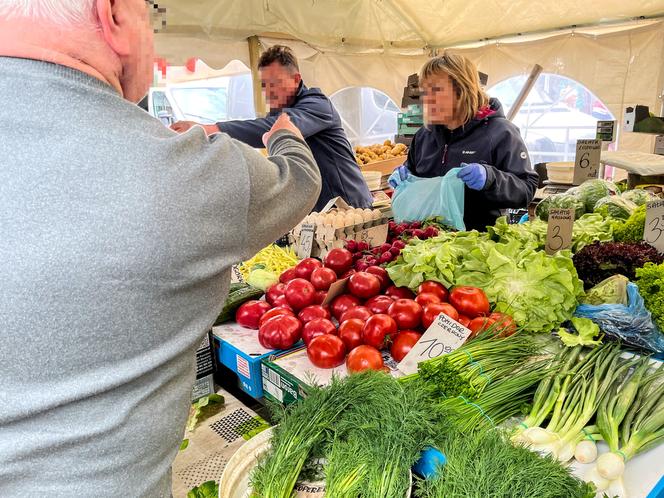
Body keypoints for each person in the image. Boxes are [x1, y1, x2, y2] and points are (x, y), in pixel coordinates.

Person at [0, 1, 321, 497]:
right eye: (153, 15)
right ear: (114, 16)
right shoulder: (181, 170)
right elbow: (299, 181)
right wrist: (286, 138)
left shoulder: (310, 103)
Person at [172, 45, 373, 212]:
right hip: (319, 212)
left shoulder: (317, 104)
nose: (268, 92)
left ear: (296, 79)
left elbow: (275, 129)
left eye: (275, 84)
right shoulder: (276, 114)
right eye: (264, 85)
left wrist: (210, 128)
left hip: (349, 205)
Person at [397, 53, 539, 231]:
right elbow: (414, 175)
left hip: (478, 246)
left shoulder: (501, 133)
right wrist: (404, 176)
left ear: (462, 90)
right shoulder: (423, 136)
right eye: (425, 92)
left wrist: (490, 178)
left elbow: (526, 189)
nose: (427, 100)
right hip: (426, 244)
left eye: (436, 90)